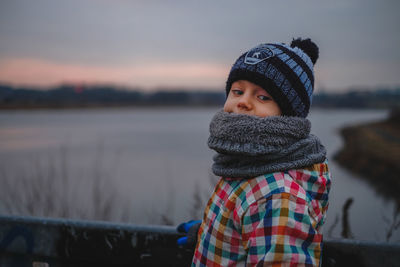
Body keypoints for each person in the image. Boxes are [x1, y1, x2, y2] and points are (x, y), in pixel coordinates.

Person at [178, 38, 331, 266]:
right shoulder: (245, 164)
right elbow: (249, 216)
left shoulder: (278, 196)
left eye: (262, 97)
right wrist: (215, 234)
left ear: (288, 114)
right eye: (237, 91)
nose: (243, 102)